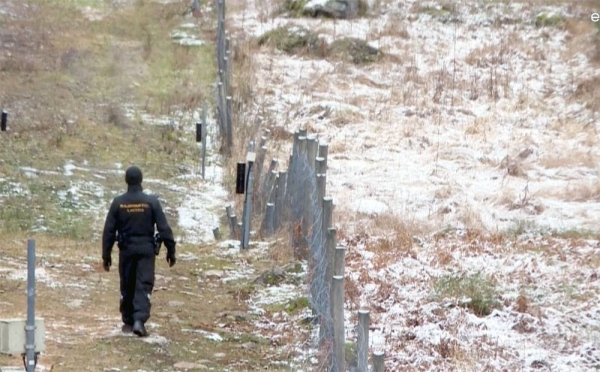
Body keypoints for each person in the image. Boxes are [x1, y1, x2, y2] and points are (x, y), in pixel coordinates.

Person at [102, 166, 177, 337]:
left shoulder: (118, 203)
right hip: (146, 249)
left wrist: (106, 254)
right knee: (143, 283)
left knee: (127, 282)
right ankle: (139, 320)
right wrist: (170, 250)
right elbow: (164, 228)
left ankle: (128, 318)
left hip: (126, 248)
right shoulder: (151, 202)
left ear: (126, 181)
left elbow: (109, 231)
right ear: (141, 180)